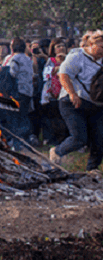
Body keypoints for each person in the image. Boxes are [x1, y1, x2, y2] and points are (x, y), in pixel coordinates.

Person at [50, 30, 103, 171]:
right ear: (91, 45)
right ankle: (57, 151)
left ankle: (92, 169)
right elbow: (63, 74)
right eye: (101, 47)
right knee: (79, 138)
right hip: (72, 103)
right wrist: (72, 94)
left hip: (96, 104)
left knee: (99, 139)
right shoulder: (77, 56)